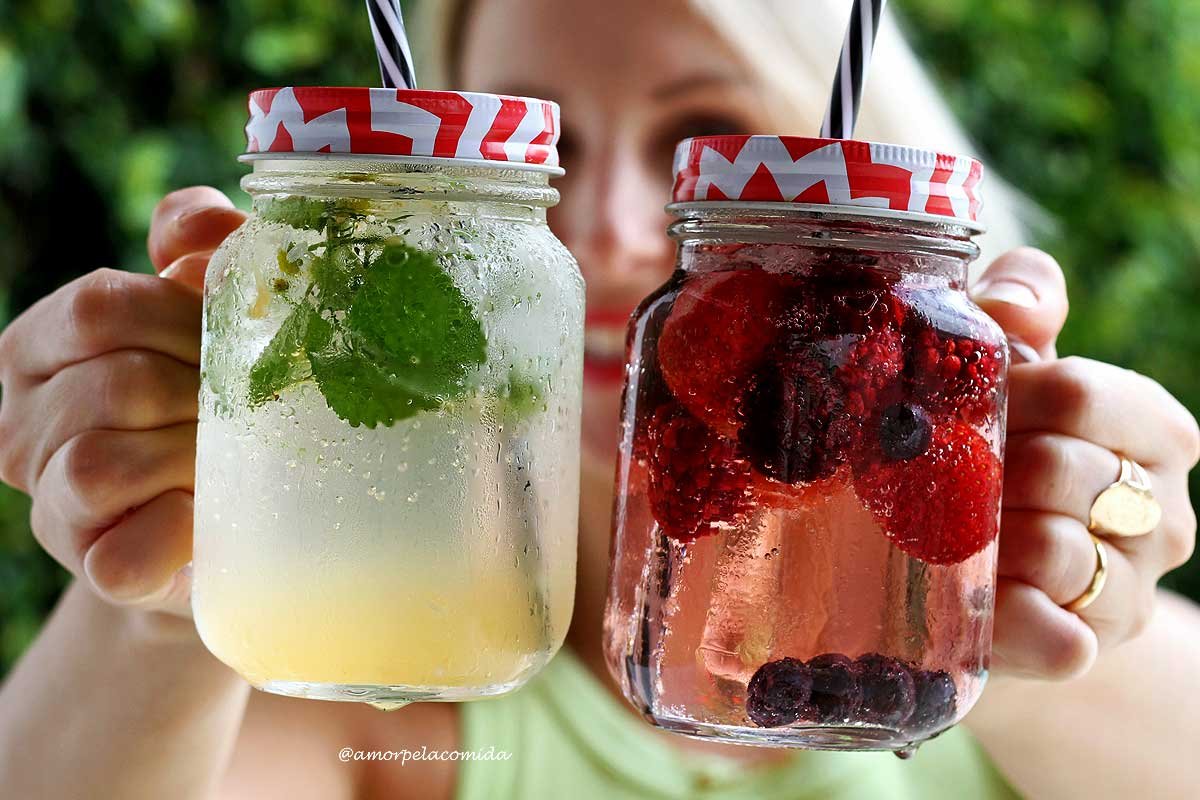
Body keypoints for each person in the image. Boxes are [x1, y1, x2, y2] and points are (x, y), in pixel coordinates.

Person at [1, 1, 1198, 798]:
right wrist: (154, 611)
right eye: (553, 148)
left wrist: (1050, 570)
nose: (616, 233)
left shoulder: (1017, 655)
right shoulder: (393, 661)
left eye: (703, 130)